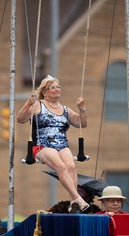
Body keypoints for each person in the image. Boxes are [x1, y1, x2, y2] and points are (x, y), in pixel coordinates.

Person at [17, 74, 89, 213]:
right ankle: (77, 198)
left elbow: (82, 124)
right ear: (45, 92)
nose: (57, 89)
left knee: (71, 167)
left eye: (58, 87)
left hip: (62, 144)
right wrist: (28, 104)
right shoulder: (39, 105)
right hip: (42, 144)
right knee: (61, 167)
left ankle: (73, 201)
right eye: (52, 87)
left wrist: (82, 109)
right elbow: (20, 119)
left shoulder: (65, 110)